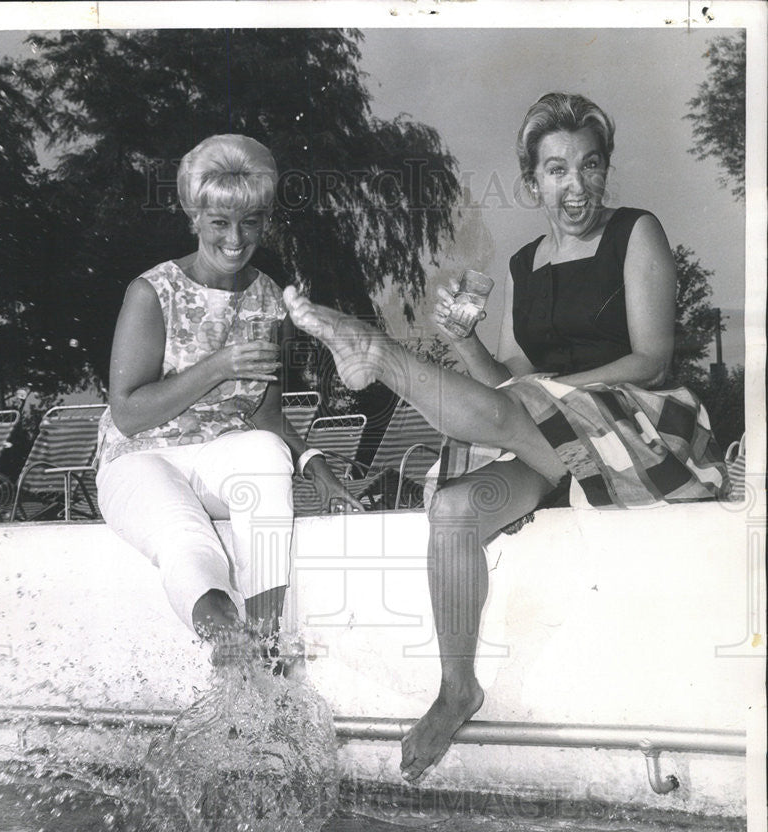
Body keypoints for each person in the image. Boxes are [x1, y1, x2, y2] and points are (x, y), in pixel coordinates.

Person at [282, 92, 729, 780]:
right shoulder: (522, 264)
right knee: (453, 509)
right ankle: (456, 686)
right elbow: (506, 378)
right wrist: (461, 345)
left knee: (514, 406)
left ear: (604, 170)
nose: (573, 185)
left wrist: (546, 391)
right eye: (555, 170)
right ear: (532, 181)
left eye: (587, 166)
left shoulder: (636, 231)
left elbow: (650, 357)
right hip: (550, 435)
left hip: (638, 426)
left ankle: (381, 357)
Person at [96, 134, 362, 666]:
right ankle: (233, 650)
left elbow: (265, 414)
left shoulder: (270, 297)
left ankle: (263, 645)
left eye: (251, 222)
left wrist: (315, 464)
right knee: (185, 539)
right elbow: (127, 413)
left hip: (219, 455)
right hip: (140, 456)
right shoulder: (152, 292)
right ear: (194, 217)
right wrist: (215, 368)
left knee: (265, 452)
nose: (236, 239)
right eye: (219, 222)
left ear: (266, 220)